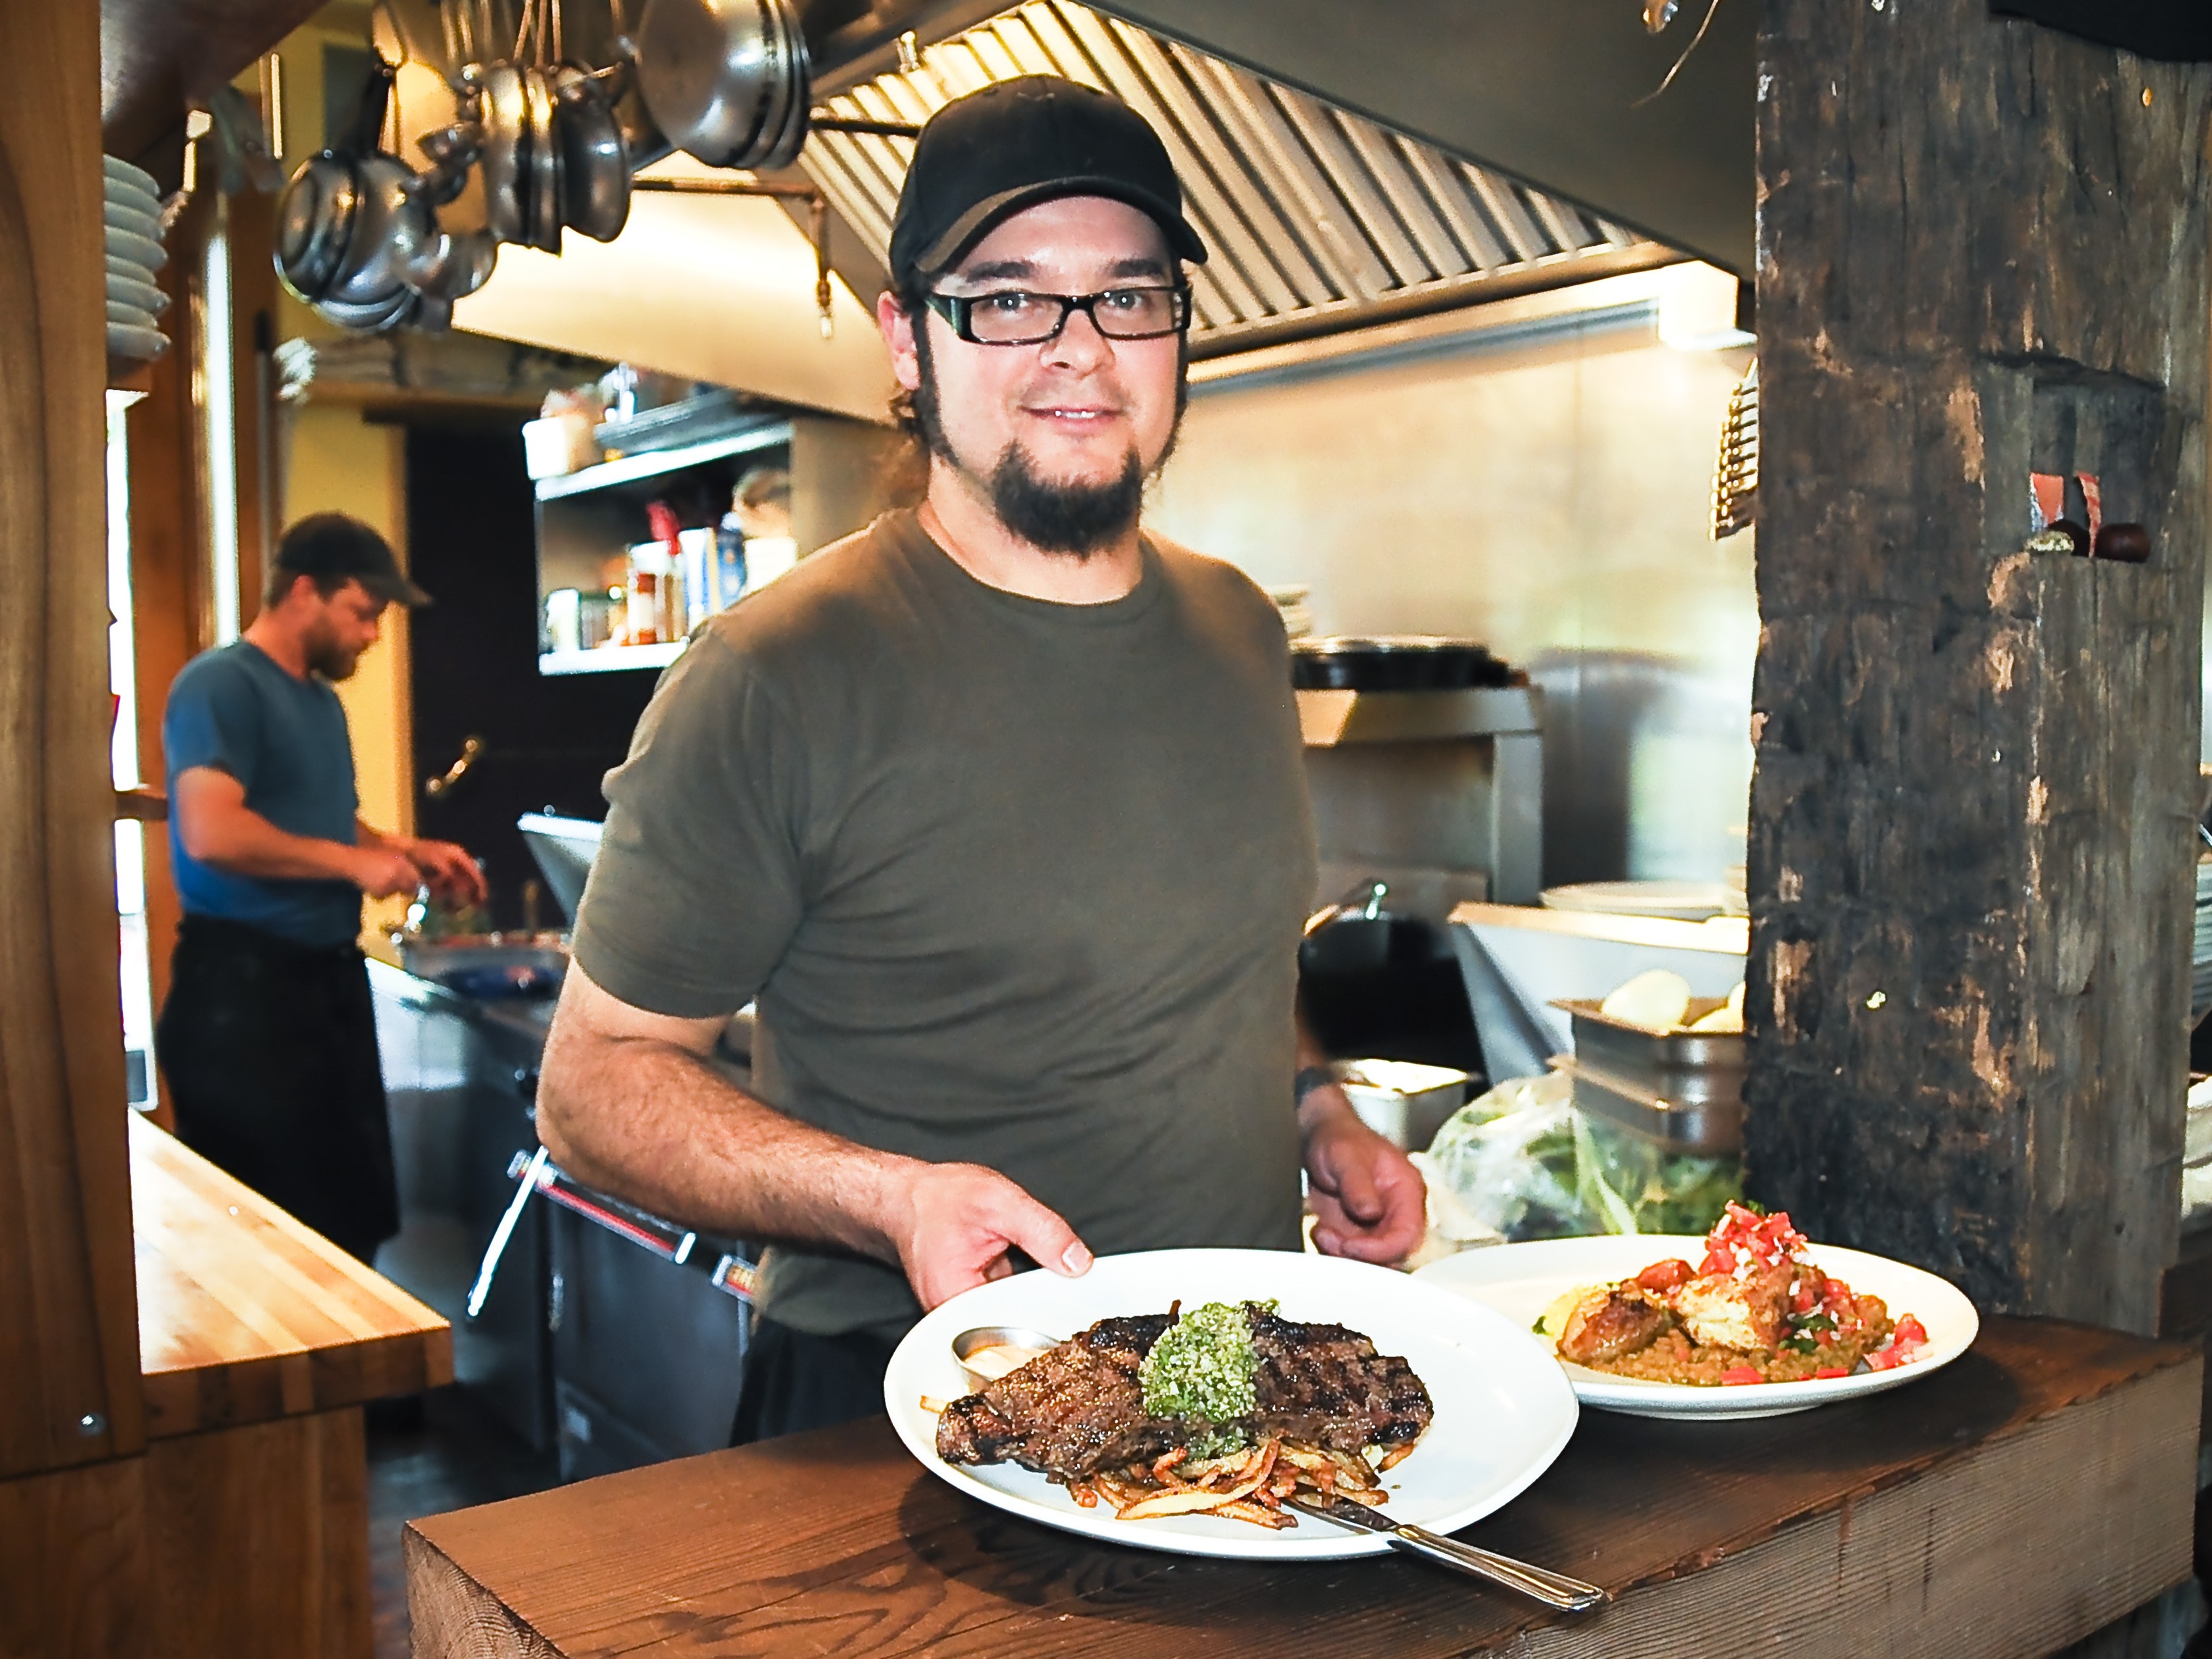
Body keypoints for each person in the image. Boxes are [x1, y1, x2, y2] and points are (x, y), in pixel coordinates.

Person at [535, 75, 1426, 1442]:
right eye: (1007, 299)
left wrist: (1315, 1107)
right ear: (906, 342)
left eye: (1128, 297)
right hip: (906, 1406)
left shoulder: (1240, 630)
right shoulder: (774, 672)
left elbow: (1220, 969)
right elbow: (592, 1084)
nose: (1079, 348)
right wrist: (890, 1198)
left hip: (1235, 1394)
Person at [156, 514, 486, 1263]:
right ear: (304, 591)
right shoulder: (221, 684)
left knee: (348, 1233)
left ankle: (362, 1387)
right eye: (363, 613)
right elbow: (211, 831)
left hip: (321, 994)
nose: (372, 635)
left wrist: (405, 849)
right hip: (242, 1001)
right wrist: (352, 867)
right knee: (272, 1252)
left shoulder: (315, 699)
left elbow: (326, 821)